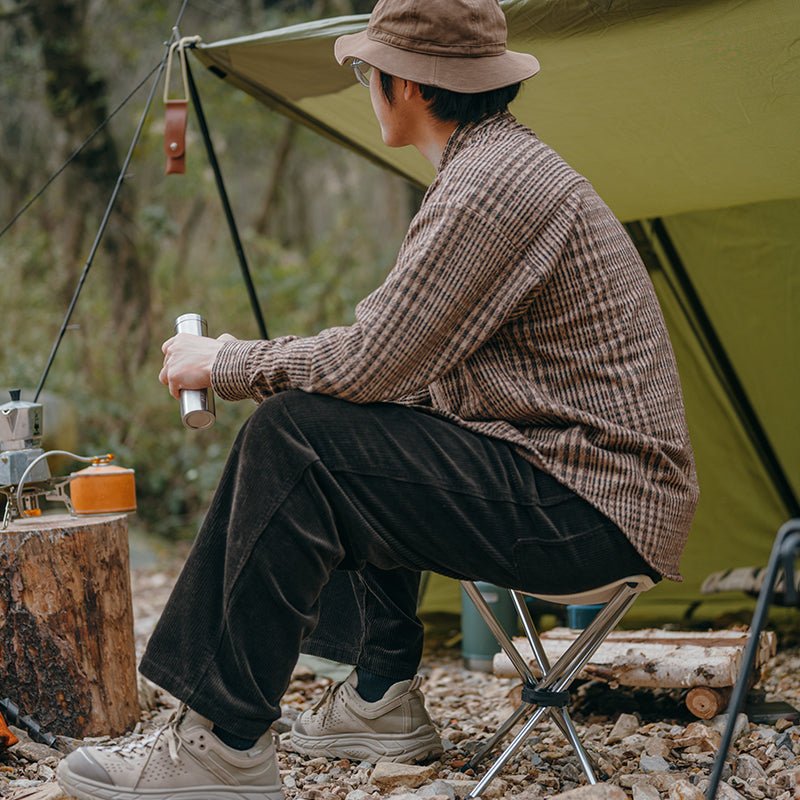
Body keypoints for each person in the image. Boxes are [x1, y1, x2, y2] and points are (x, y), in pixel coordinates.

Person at [57, 0, 699, 798]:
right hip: (589, 494)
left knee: (298, 436)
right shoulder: (495, 167)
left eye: (368, 70)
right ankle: (376, 696)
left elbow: (367, 361)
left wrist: (226, 362)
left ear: (409, 86)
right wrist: (265, 363)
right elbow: (392, 368)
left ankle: (219, 746)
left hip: (590, 509)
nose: (367, 84)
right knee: (362, 424)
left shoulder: (490, 189)